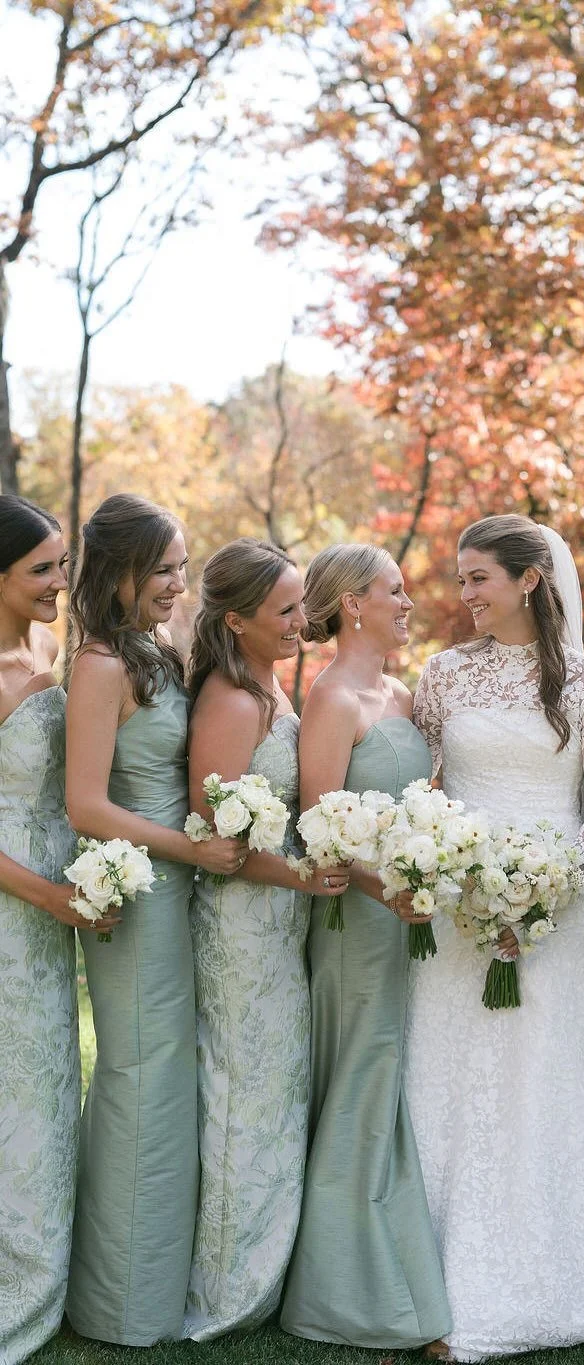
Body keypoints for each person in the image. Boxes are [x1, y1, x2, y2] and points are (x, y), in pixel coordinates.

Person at [405, 514, 584, 1362]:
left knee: (548, 1080)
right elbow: (421, 782)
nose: (464, 596)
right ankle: (431, 1274)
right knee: (454, 1078)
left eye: (478, 579)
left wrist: (543, 889)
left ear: (529, 578)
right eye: (459, 580)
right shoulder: (443, 676)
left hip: (558, 911)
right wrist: (458, 876)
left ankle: (567, 1270)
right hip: (460, 907)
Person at [63, 494, 243, 1345]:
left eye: (182, 567)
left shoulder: (152, 652)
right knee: (140, 1079)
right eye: (165, 569)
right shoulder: (99, 665)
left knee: (168, 1084)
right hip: (136, 893)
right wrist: (186, 848)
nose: (180, 584)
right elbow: (86, 804)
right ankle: (121, 1305)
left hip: (176, 885)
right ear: (122, 571)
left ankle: (156, 1286)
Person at [280, 544, 450, 1350]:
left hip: (408, 919)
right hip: (357, 920)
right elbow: (321, 832)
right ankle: (347, 1289)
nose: (408, 601)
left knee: (394, 1076)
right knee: (362, 1072)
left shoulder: (404, 695)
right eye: (395, 590)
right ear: (353, 603)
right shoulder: (332, 696)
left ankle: (396, 1255)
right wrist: (394, 893)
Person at [184, 539, 342, 1338]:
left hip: (282, 925)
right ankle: (228, 1283)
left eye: (299, 605)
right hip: (243, 928)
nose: (299, 620)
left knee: (275, 1092)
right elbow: (217, 836)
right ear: (236, 619)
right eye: (283, 609)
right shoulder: (233, 699)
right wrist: (306, 877)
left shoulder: (271, 687)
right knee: (245, 1094)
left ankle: (267, 1271)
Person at [0, 497, 117, 1364]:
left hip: (51, 904)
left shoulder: (43, 652)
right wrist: (47, 897)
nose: (58, 583)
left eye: (60, 565)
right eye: (42, 568)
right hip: (15, 906)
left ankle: (41, 1270)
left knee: (42, 1090)